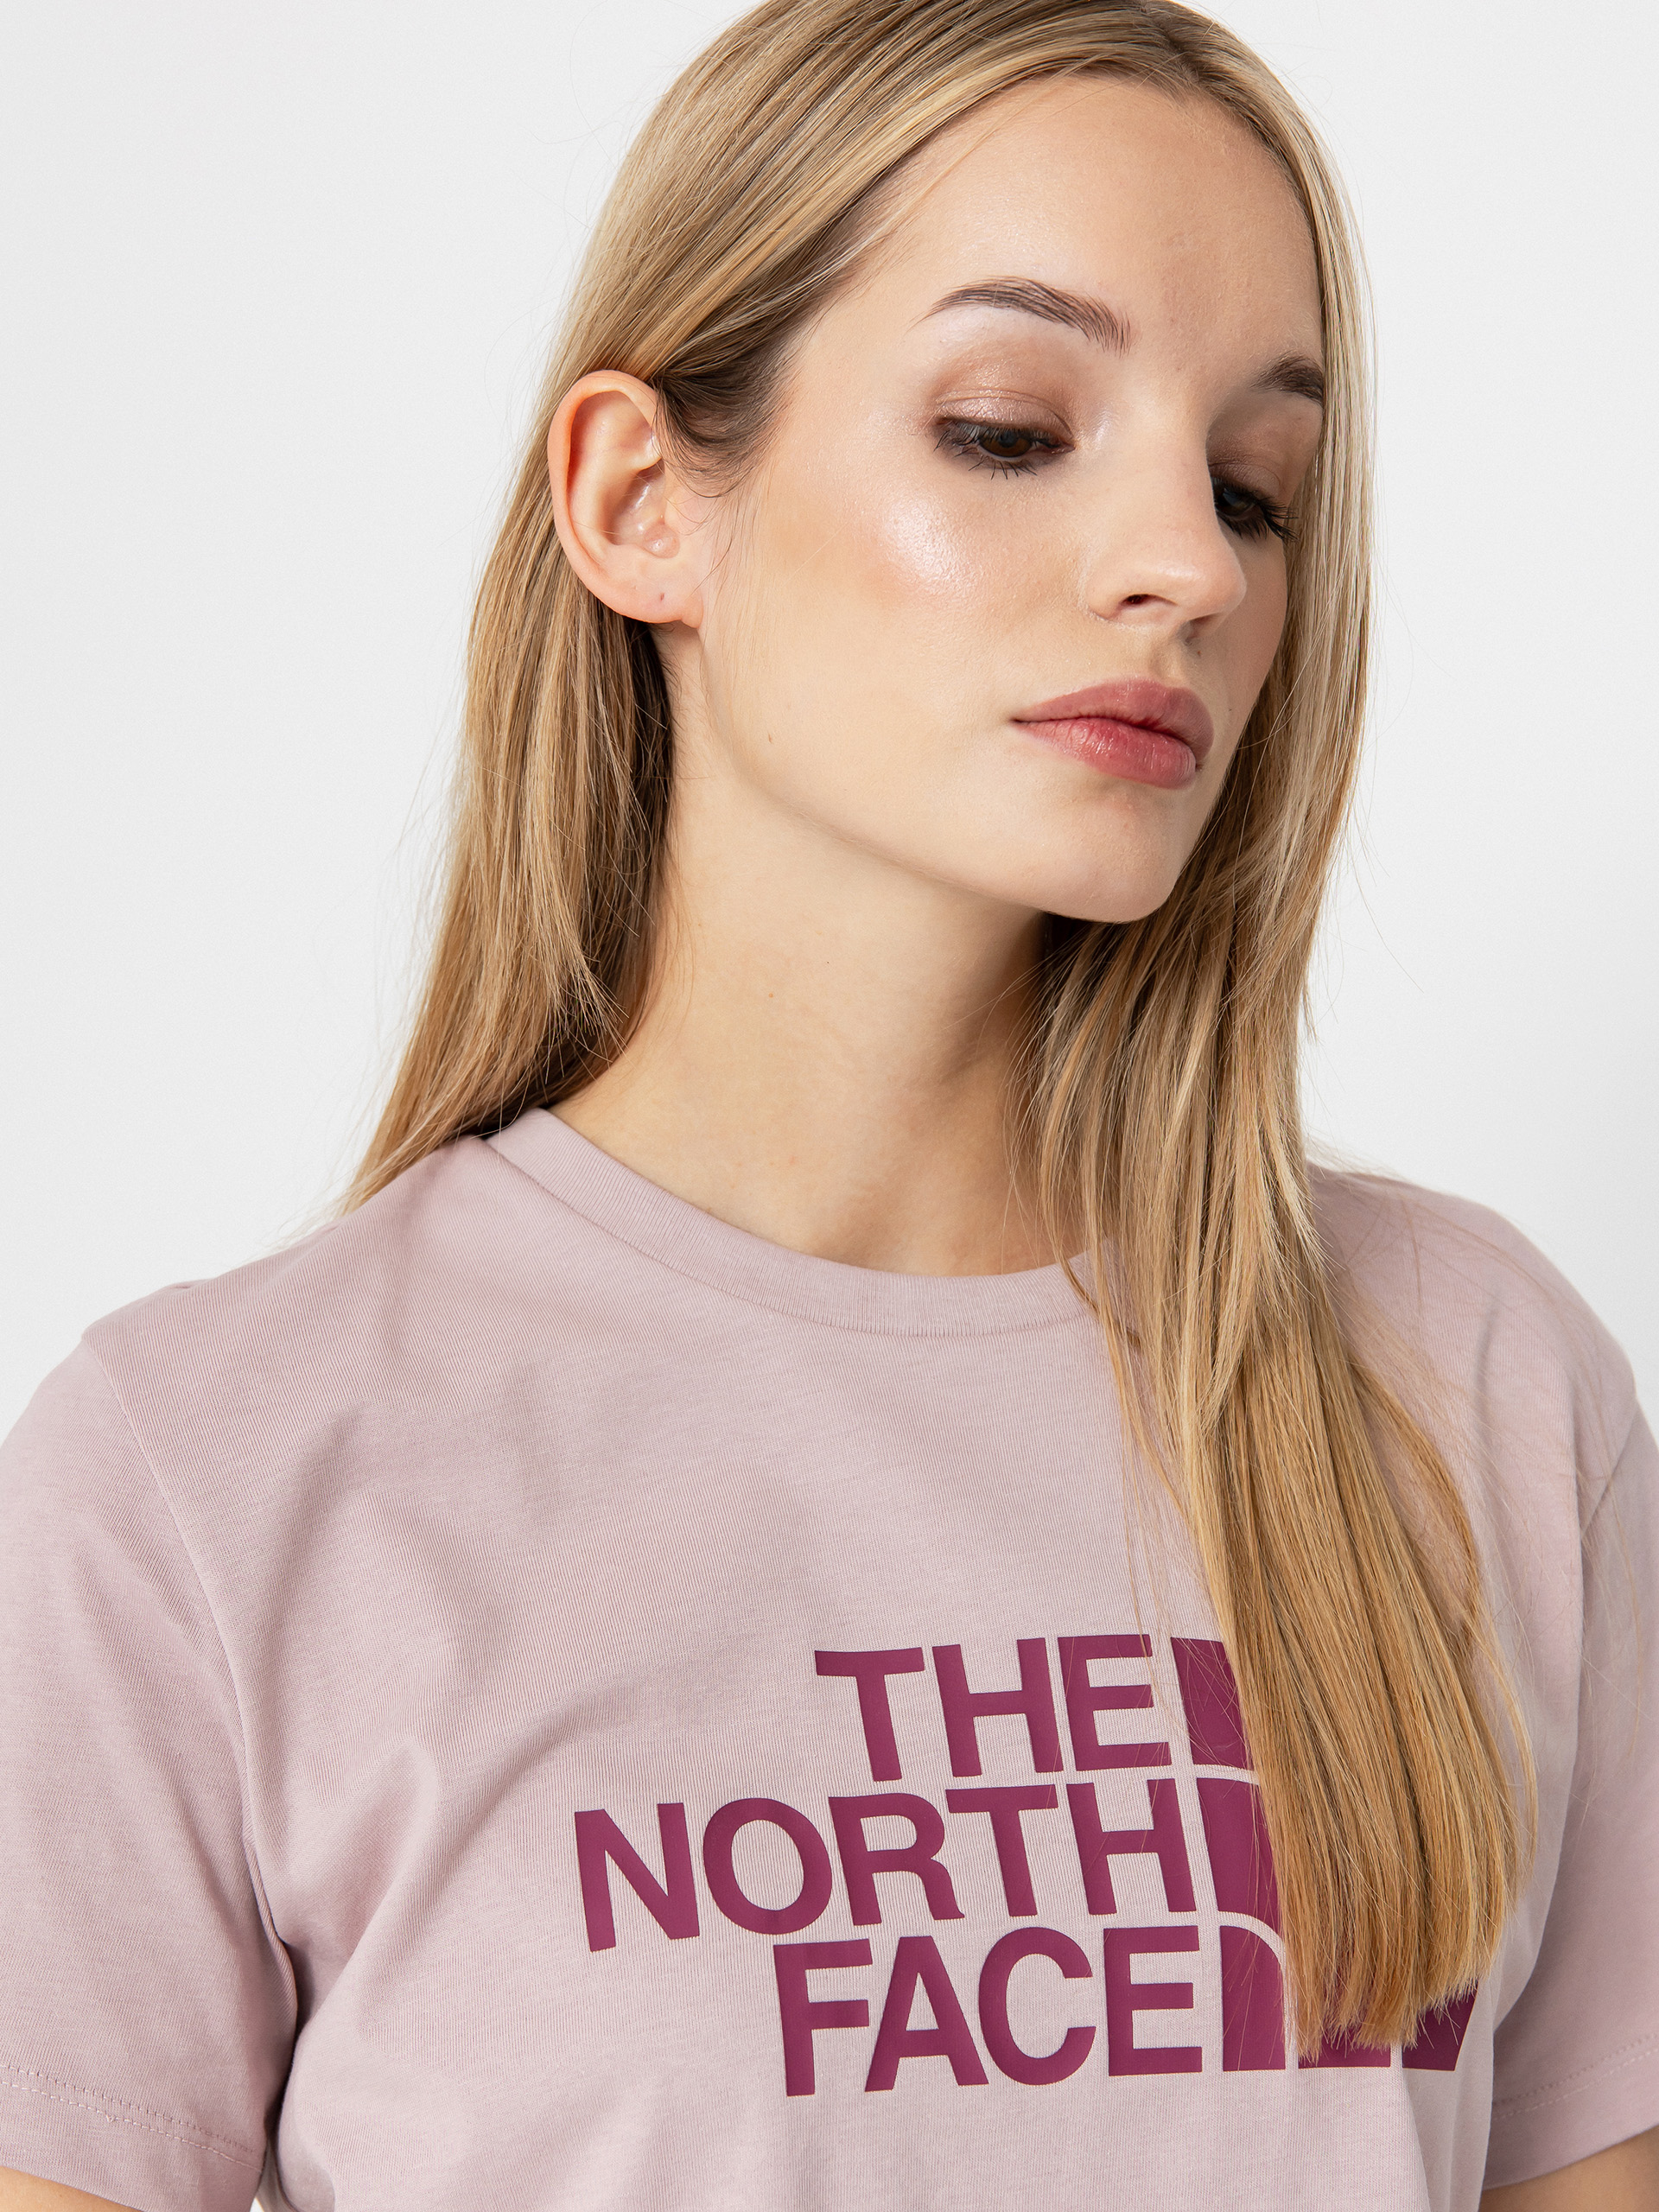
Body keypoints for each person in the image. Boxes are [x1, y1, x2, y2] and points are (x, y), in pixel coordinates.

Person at [1, 2, 1653, 2207]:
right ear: (640, 501)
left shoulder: (1475, 1389)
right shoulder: (203, 1482)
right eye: (1008, 429)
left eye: (1256, 486)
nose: (1191, 563)